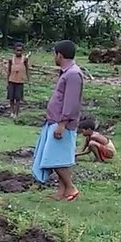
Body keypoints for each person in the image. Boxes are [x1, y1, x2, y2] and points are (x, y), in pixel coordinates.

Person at [31, 39, 84, 201]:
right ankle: (62, 192)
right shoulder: (67, 73)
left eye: (54, 54)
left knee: (54, 158)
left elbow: (71, 101)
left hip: (62, 123)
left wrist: (62, 123)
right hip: (55, 121)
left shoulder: (73, 74)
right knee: (58, 156)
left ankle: (70, 187)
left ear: (59, 55)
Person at [7, 42, 30, 119]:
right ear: (14, 50)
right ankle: (12, 111)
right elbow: (9, 70)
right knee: (11, 97)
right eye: (17, 50)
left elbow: (27, 69)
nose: (19, 52)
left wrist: (28, 78)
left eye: (20, 50)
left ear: (23, 51)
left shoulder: (25, 59)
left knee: (18, 98)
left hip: (20, 81)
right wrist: (7, 80)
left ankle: (16, 113)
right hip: (11, 80)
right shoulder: (11, 59)